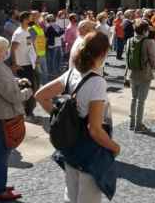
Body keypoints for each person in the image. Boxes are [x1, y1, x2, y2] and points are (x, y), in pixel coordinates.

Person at [35, 32, 120, 203]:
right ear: (102, 54)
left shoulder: (72, 73)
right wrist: (114, 147)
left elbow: (40, 95)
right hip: (88, 149)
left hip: (69, 144)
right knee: (87, 197)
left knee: (71, 194)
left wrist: (59, 116)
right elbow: (94, 129)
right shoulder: (97, 82)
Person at [0, 36, 32, 201]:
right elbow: (11, 95)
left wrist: (17, 80)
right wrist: (28, 91)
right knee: (2, 153)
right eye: (5, 49)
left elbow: (5, 82)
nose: (7, 51)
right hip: (2, 114)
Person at [126, 20, 155, 133]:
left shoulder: (129, 40)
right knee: (141, 101)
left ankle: (132, 123)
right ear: (144, 31)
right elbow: (153, 58)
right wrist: (151, 67)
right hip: (145, 73)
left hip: (132, 73)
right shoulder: (149, 42)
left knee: (133, 98)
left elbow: (127, 57)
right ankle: (138, 125)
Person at [10, 12, 38, 119]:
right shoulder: (19, 33)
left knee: (31, 87)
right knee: (26, 88)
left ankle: (28, 112)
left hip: (29, 64)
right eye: (31, 18)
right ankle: (27, 113)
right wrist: (14, 64)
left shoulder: (27, 31)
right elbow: (12, 49)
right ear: (25, 19)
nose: (33, 20)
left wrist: (35, 58)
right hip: (22, 65)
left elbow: (28, 46)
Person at [29, 11, 48, 85]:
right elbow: (30, 44)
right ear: (33, 18)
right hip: (37, 56)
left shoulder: (40, 28)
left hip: (42, 54)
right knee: (39, 75)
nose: (41, 17)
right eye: (38, 16)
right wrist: (35, 56)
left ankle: (44, 89)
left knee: (44, 74)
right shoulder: (31, 29)